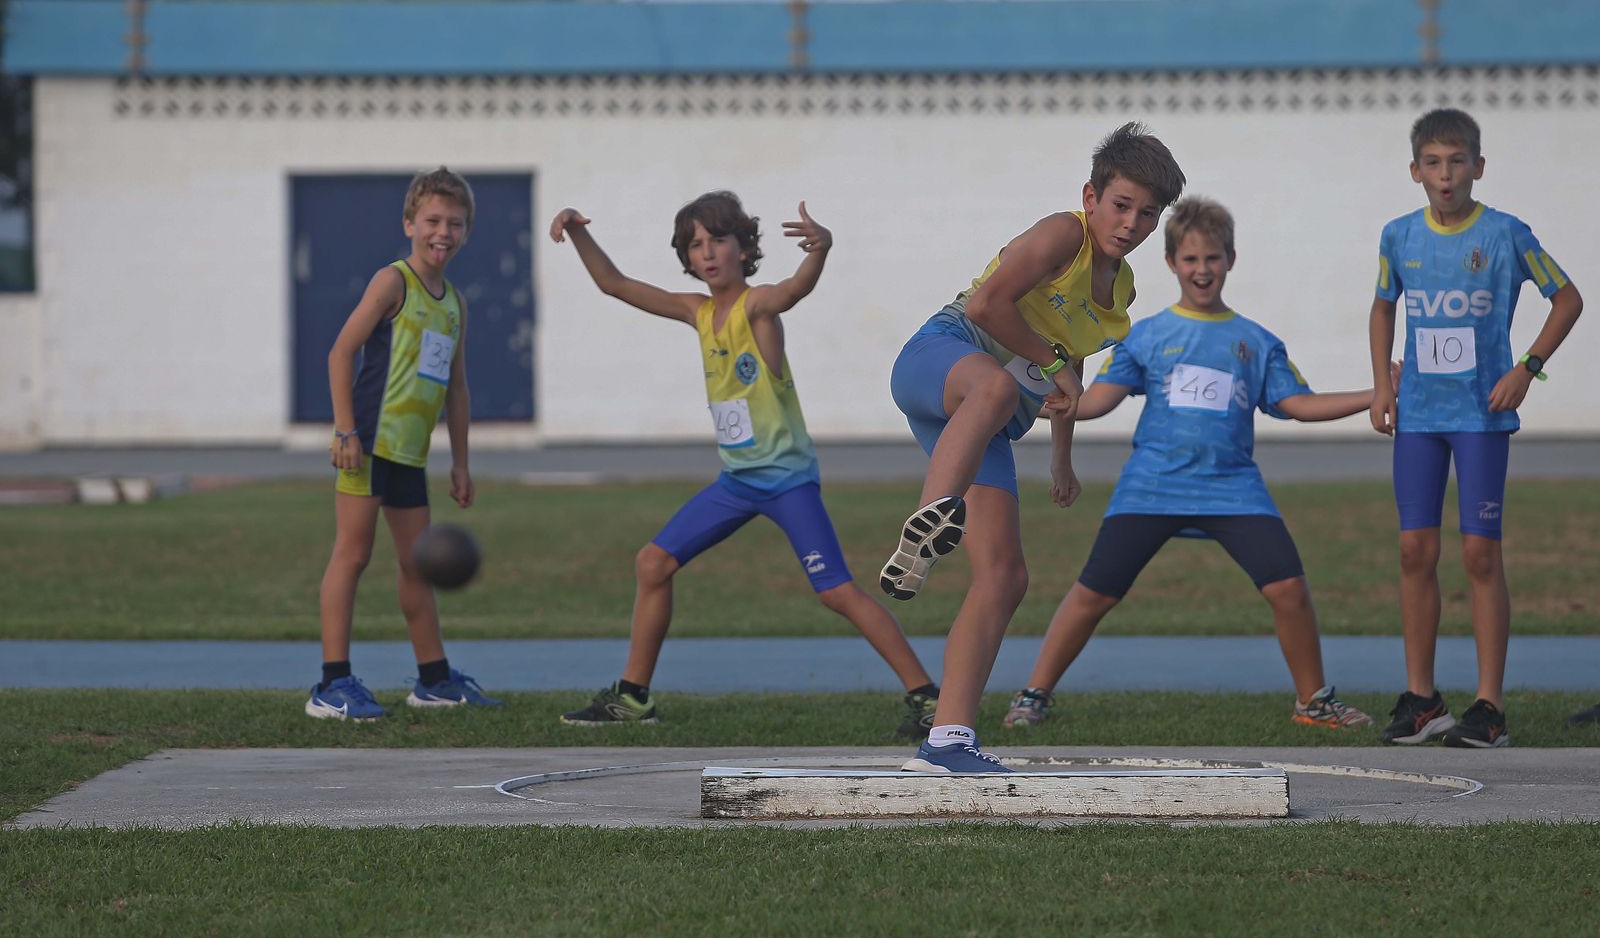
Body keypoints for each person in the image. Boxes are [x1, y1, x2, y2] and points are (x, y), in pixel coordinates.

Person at [549, 192, 940, 738]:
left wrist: (819, 250)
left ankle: (927, 700)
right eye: (695, 245)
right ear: (687, 258)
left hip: (786, 482)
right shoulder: (698, 312)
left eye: (718, 240)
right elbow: (615, 284)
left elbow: (792, 291)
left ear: (744, 248)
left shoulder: (757, 308)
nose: (707, 253)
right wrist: (578, 231)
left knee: (836, 591)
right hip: (737, 482)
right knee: (652, 563)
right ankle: (632, 698)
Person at [1001, 196, 1375, 733]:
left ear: (1231, 260)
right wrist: (1020, 403)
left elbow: (1297, 405)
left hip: (1232, 488)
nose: (1203, 271)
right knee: (1093, 592)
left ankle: (1313, 702)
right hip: (1151, 487)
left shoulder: (1256, 341)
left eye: (1213, 259)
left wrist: (1375, 393)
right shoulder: (1146, 335)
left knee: (1288, 589)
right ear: (1172, 262)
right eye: (1192, 260)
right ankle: (1033, 694)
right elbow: (1095, 400)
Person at [885, 122, 1187, 773]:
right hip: (943, 358)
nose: (1132, 223)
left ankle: (948, 742)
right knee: (993, 389)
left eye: (1148, 213)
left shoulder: (1123, 290)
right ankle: (929, 520)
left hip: (982, 423)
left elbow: (1061, 375)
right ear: (1090, 196)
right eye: (1121, 205)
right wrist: (1055, 365)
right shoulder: (1064, 234)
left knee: (1006, 575)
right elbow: (993, 306)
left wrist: (1061, 455)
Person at [1369, 108, 1583, 748]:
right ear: (1415, 171)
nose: (1445, 174)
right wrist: (1383, 383)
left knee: (1479, 554)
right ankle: (1422, 701)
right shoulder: (1398, 235)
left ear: (1478, 167)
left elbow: (1567, 297)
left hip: (1482, 419)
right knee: (1415, 551)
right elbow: (1383, 308)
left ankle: (1489, 708)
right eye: (1432, 162)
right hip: (1420, 420)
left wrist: (1529, 368)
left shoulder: (1507, 234)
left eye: (1457, 161)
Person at [307, 167, 501, 721]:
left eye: (455, 224)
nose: (443, 232)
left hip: (410, 455)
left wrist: (461, 462)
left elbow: (457, 389)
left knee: (418, 565)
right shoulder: (393, 283)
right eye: (433, 220)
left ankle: (434, 680)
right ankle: (331, 683)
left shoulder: (454, 303)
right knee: (353, 554)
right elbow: (340, 352)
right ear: (410, 223)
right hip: (367, 444)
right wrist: (344, 431)